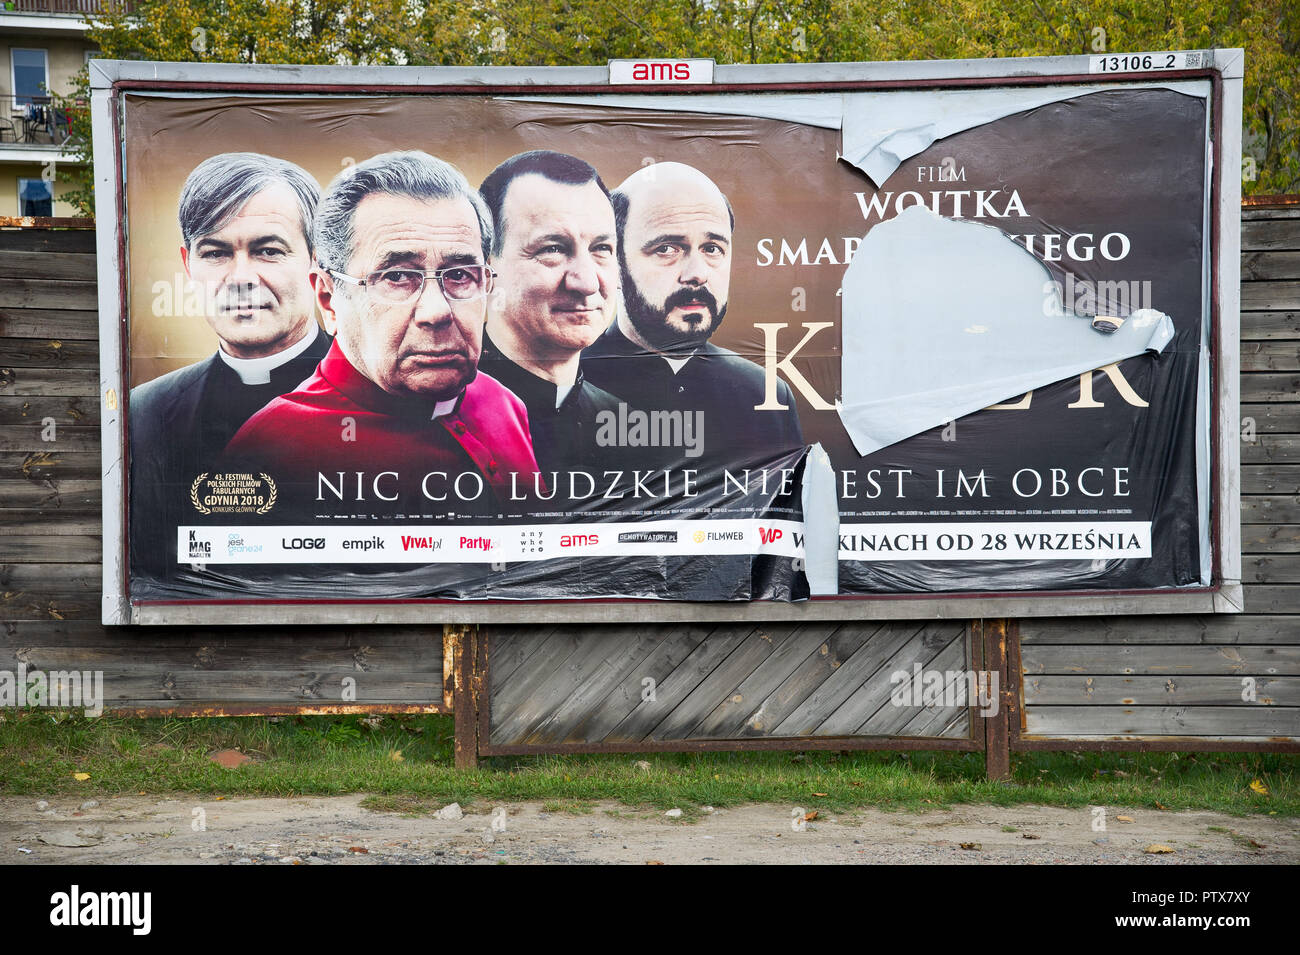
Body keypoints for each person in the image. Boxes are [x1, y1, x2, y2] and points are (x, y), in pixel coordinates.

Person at [222, 150, 542, 516]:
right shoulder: (269, 449)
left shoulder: (504, 403)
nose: (437, 311)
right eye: (397, 277)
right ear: (328, 299)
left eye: (459, 275)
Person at [129, 152, 331, 576]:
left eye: (268, 251)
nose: (240, 277)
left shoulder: (394, 395)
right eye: (216, 253)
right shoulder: (143, 414)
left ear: (318, 262)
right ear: (188, 265)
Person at [583, 161, 804, 472]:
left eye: (712, 248)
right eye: (667, 249)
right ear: (614, 262)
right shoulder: (563, 384)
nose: (697, 275)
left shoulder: (764, 394)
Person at [477, 150, 623, 475]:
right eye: (553, 249)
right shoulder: (432, 419)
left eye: (602, 249)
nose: (586, 282)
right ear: (485, 268)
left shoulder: (630, 429)